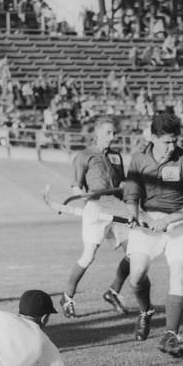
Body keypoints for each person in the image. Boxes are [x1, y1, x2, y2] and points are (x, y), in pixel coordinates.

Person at [123, 112, 183, 358]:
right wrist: (133, 213)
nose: (171, 147)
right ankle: (146, 311)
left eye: (174, 141)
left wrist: (169, 219)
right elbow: (131, 195)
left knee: (178, 274)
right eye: (166, 141)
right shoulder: (139, 159)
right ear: (153, 137)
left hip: (182, 225)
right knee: (136, 277)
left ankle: (171, 335)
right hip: (148, 223)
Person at [59, 117, 133, 318]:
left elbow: (123, 183)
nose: (113, 136)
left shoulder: (116, 156)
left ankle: (113, 292)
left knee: (133, 253)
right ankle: (67, 297)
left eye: (114, 132)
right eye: (109, 132)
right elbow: (76, 185)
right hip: (96, 208)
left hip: (117, 208)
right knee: (89, 256)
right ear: (98, 134)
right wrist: (82, 194)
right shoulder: (84, 156)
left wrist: (126, 187)